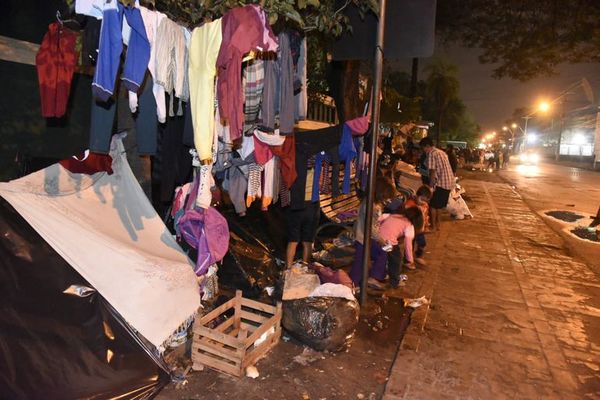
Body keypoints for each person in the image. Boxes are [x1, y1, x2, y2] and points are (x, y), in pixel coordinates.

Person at [349, 177, 398, 290]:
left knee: (378, 254)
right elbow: (372, 229)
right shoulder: (373, 207)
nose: (389, 201)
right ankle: (354, 284)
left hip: (363, 236)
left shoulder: (369, 202)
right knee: (360, 262)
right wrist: (382, 241)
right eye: (387, 197)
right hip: (363, 238)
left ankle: (371, 277)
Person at [378, 206, 424, 287]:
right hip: (388, 243)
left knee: (385, 256)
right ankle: (394, 282)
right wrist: (410, 260)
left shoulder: (393, 215)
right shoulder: (409, 225)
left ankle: (383, 274)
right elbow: (408, 245)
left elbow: (381, 217)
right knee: (396, 259)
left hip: (376, 239)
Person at [286, 168, 320, 267]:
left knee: (293, 240)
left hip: (296, 203)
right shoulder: (316, 162)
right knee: (307, 240)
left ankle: (288, 270)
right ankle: (305, 268)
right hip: (311, 204)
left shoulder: (293, 162)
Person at [419, 136, 455, 230]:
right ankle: (438, 225)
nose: (423, 151)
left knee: (433, 205)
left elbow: (432, 171)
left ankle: (433, 226)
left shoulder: (431, 154)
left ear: (427, 146)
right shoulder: (441, 152)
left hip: (439, 183)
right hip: (448, 183)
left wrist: (430, 186)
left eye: (423, 148)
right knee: (439, 206)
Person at [404, 185, 432, 266]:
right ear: (417, 195)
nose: (423, 202)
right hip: (411, 229)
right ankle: (407, 261)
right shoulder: (409, 204)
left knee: (422, 243)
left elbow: (426, 217)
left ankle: (418, 256)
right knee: (409, 245)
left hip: (420, 229)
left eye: (426, 200)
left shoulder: (425, 205)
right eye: (422, 199)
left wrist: (426, 226)